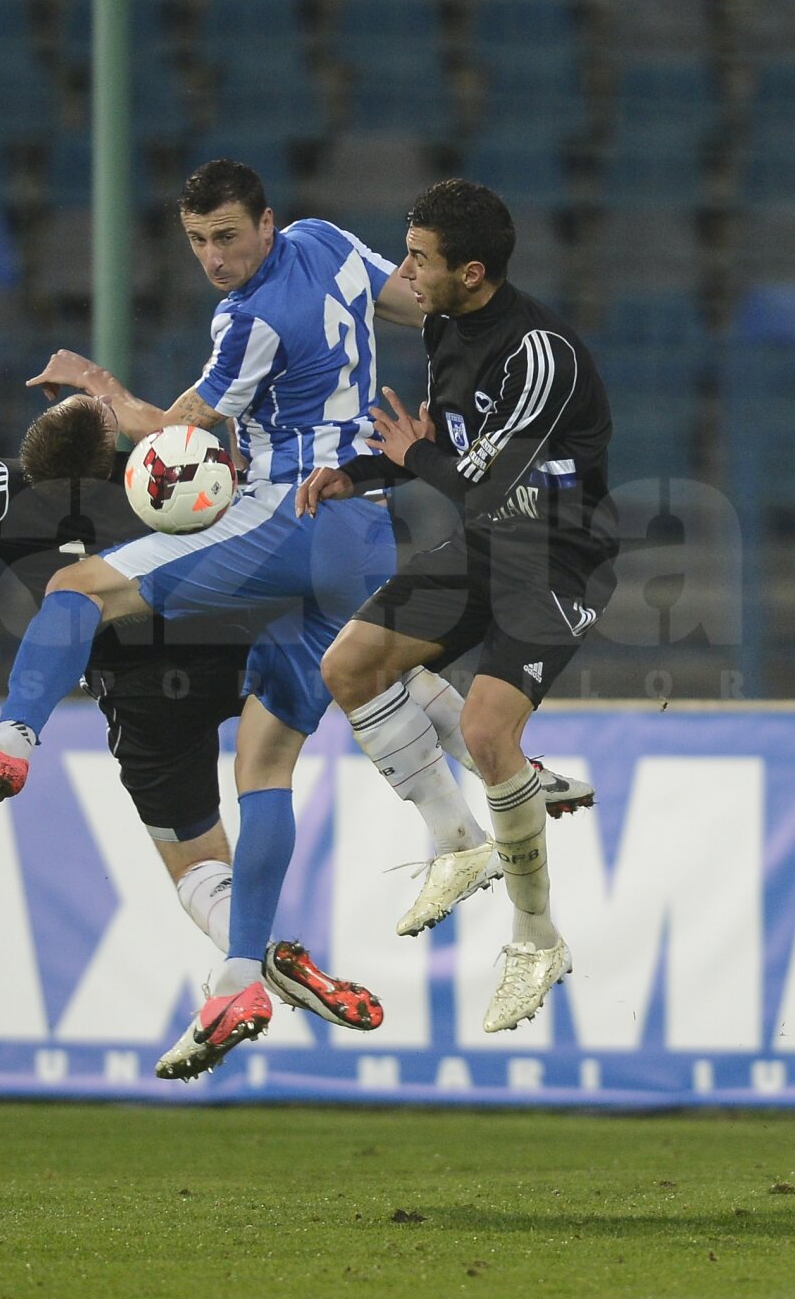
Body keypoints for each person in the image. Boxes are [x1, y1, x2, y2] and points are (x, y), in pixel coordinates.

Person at [0, 159, 422, 1080]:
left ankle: (11, 741)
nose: (214, 259)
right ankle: (243, 973)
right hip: (366, 536)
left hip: (278, 537)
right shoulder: (329, 241)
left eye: (225, 237)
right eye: (198, 242)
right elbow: (413, 300)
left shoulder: (240, 322)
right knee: (269, 763)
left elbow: (180, 433)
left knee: (78, 593)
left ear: (262, 222)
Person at [0, 376, 385, 1049]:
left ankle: (257, 960)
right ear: (111, 447)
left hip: (139, 695)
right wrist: (115, 397)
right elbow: (216, 445)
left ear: (32, 455)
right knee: (267, 772)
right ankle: (257, 953)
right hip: (237, 646)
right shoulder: (160, 474)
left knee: (196, 867)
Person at [299, 179, 619, 1034]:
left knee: (486, 731)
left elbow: (486, 482)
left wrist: (412, 452)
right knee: (351, 666)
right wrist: (361, 473)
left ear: (472, 272)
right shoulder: (444, 327)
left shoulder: (540, 352)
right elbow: (445, 450)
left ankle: (536, 937)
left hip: (559, 555)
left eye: (419, 258)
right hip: (489, 543)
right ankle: (458, 841)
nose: (404, 271)